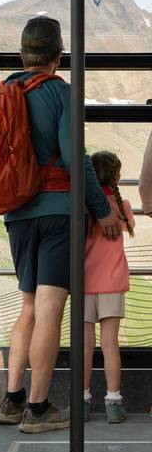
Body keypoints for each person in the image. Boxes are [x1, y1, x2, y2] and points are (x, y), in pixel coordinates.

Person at [0, 16, 122, 433]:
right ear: (58, 56)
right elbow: (75, 158)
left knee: (29, 305)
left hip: (16, 215)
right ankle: (38, 408)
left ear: (21, 54)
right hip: (57, 213)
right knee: (52, 306)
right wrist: (102, 210)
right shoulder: (60, 92)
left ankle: (12, 400)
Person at [83, 151, 134, 424]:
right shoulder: (121, 205)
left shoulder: (84, 204)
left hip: (84, 282)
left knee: (85, 345)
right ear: (116, 176)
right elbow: (131, 225)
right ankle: (113, 404)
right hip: (112, 283)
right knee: (110, 344)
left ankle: (82, 402)